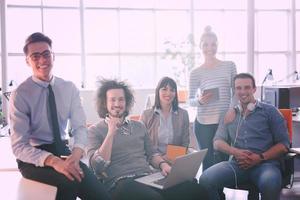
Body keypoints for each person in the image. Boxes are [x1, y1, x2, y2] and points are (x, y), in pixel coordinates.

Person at [9, 32, 110, 200]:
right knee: (68, 183)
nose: (42, 60)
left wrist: (77, 154)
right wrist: (54, 162)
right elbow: (19, 146)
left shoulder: (68, 88)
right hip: (33, 157)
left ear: (53, 56)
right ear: (27, 61)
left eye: (46, 54)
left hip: (64, 151)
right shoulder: (20, 94)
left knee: (99, 193)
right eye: (35, 56)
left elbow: (80, 128)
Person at [86, 79, 208, 200]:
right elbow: (97, 167)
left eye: (121, 99)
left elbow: (152, 154)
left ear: (126, 102)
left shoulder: (139, 126)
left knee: (196, 190)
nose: (117, 104)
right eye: (112, 100)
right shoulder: (95, 130)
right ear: (104, 103)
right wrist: (111, 133)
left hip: (147, 177)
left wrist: (163, 165)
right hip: (121, 182)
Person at [199, 73, 290, 200]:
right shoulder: (230, 114)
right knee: (205, 180)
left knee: (270, 182)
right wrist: (235, 152)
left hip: (265, 164)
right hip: (237, 164)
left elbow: (284, 144)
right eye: (238, 88)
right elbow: (217, 142)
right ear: (234, 90)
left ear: (254, 89)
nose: (242, 92)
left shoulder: (270, 111)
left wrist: (259, 157)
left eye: (247, 87)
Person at [188, 25, 237, 171]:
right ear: (200, 47)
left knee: (222, 162)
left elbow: (236, 92)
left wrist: (232, 110)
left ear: (217, 45)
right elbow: (190, 100)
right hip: (203, 124)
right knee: (208, 163)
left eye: (213, 44)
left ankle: (220, 194)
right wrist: (200, 101)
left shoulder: (229, 66)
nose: (210, 48)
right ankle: (210, 194)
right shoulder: (196, 72)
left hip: (225, 121)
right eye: (206, 44)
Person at [140, 77, 190, 162]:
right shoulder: (146, 115)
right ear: (158, 91)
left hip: (175, 159)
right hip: (152, 161)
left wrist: (170, 156)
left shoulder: (183, 114)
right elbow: (141, 144)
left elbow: (185, 144)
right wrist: (159, 160)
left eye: (172, 90)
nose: (168, 93)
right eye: (164, 89)